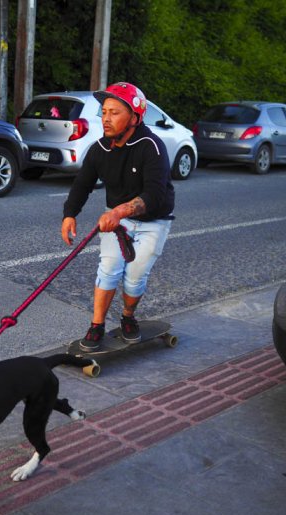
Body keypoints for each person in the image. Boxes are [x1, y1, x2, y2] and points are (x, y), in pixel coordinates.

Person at [61, 82, 175, 351]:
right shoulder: (100, 148)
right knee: (109, 268)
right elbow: (82, 184)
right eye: (103, 112)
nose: (106, 119)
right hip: (117, 220)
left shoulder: (151, 147)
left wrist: (120, 211)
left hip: (154, 221)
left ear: (135, 117)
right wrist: (70, 214)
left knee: (135, 277)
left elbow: (154, 195)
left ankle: (127, 317)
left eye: (114, 112)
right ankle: (97, 325)